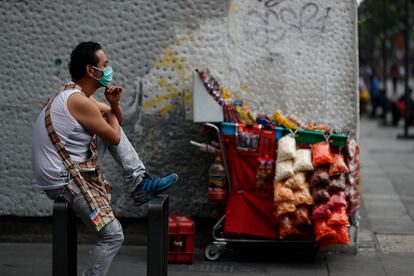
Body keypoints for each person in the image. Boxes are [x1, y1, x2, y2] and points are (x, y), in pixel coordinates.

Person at [31, 41, 178, 276]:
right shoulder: (79, 101)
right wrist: (110, 114)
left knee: (108, 128)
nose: (109, 69)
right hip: (63, 181)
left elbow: (115, 119)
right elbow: (114, 134)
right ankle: (139, 180)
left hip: (66, 171)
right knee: (113, 235)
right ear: (91, 70)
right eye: (105, 64)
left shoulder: (72, 92)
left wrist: (114, 105)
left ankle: (139, 179)